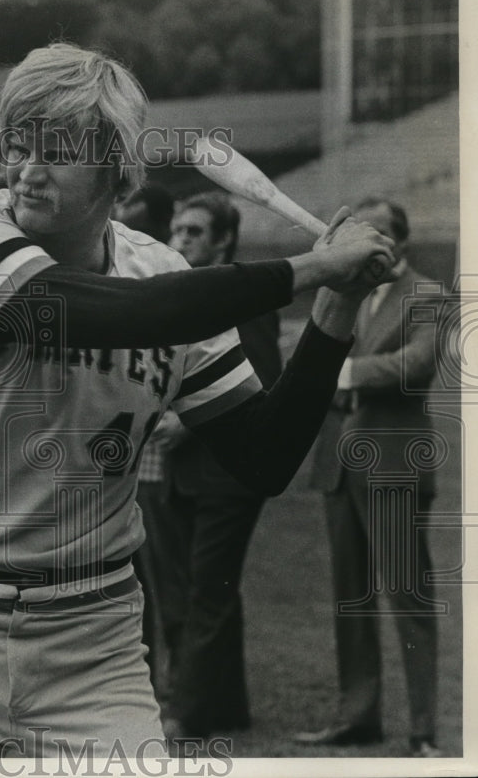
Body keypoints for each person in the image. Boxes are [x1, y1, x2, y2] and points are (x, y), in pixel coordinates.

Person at [0, 43, 395, 761]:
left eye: (56, 150)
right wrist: (310, 266)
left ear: (117, 170)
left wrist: (336, 309)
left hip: (97, 648)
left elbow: (262, 456)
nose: (26, 167)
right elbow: (134, 314)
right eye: (17, 143)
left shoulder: (162, 271)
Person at [295, 198, 442, 757]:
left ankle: (424, 730)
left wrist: (343, 369)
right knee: (349, 596)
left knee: (408, 598)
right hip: (338, 462)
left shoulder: (427, 293)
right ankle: (358, 717)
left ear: (399, 244)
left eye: (374, 234)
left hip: (393, 466)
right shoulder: (342, 292)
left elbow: (416, 365)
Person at [146, 192, 283, 741]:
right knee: (196, 588)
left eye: (194, 233)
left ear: (224, 239)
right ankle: (226, 707)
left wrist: (186, 423)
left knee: (206, 590)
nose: (179, 240)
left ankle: (188, 714)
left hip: (225, 474)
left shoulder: (243, 296)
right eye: (177, 230)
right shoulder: (184, 291)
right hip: (181, 472)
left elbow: (262, 383)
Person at [110, 180, 176, 697]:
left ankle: (156, 677)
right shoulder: (122, 271)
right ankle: (147, 676)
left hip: (152, 462)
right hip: (129, 460)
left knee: (151, 580)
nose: (123, 212)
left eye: (133, 206)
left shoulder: (160, 273)